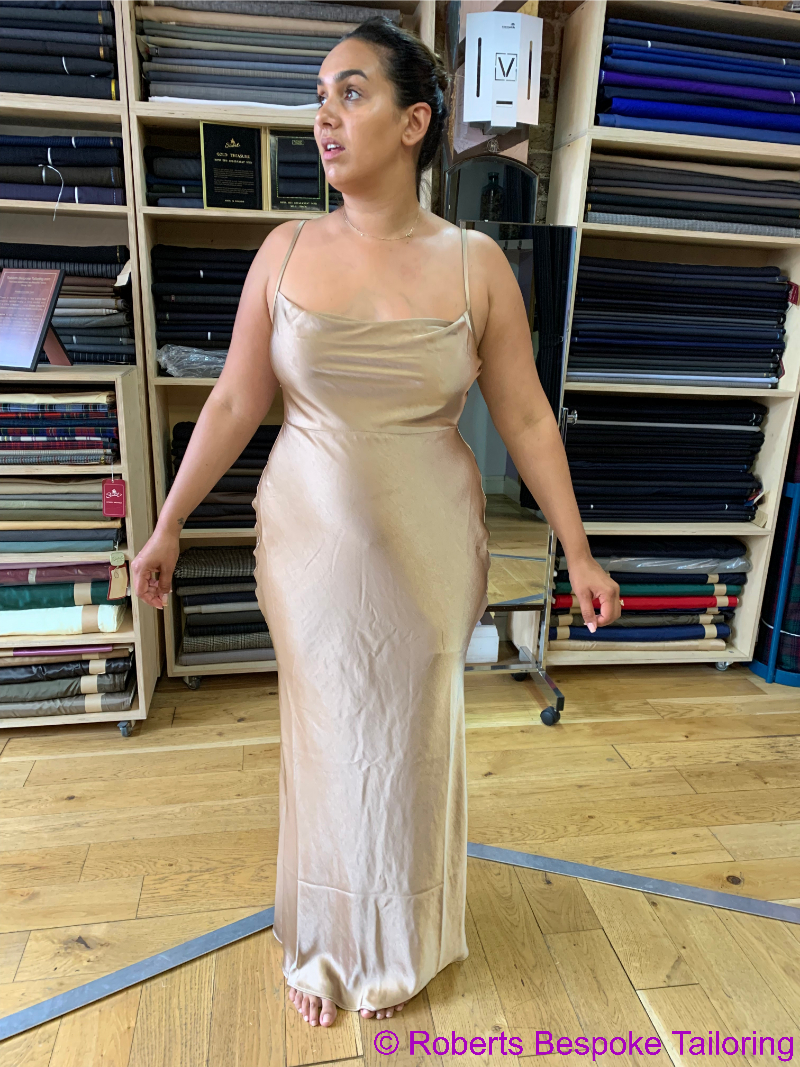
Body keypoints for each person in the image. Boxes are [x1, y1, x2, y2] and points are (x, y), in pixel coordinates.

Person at [132, 14, 620, 1032]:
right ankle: (323, 937)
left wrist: (575, 549)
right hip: (307, 540)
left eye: (350, 93)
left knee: (408, 739)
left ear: (413, 121)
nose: (324, 115)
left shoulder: (476, 265)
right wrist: (169, 521)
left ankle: (405, 934)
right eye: (319, 97)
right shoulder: (283, 251)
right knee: (325, 734)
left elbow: (526, 415)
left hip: (431, 543)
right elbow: (233, 400)